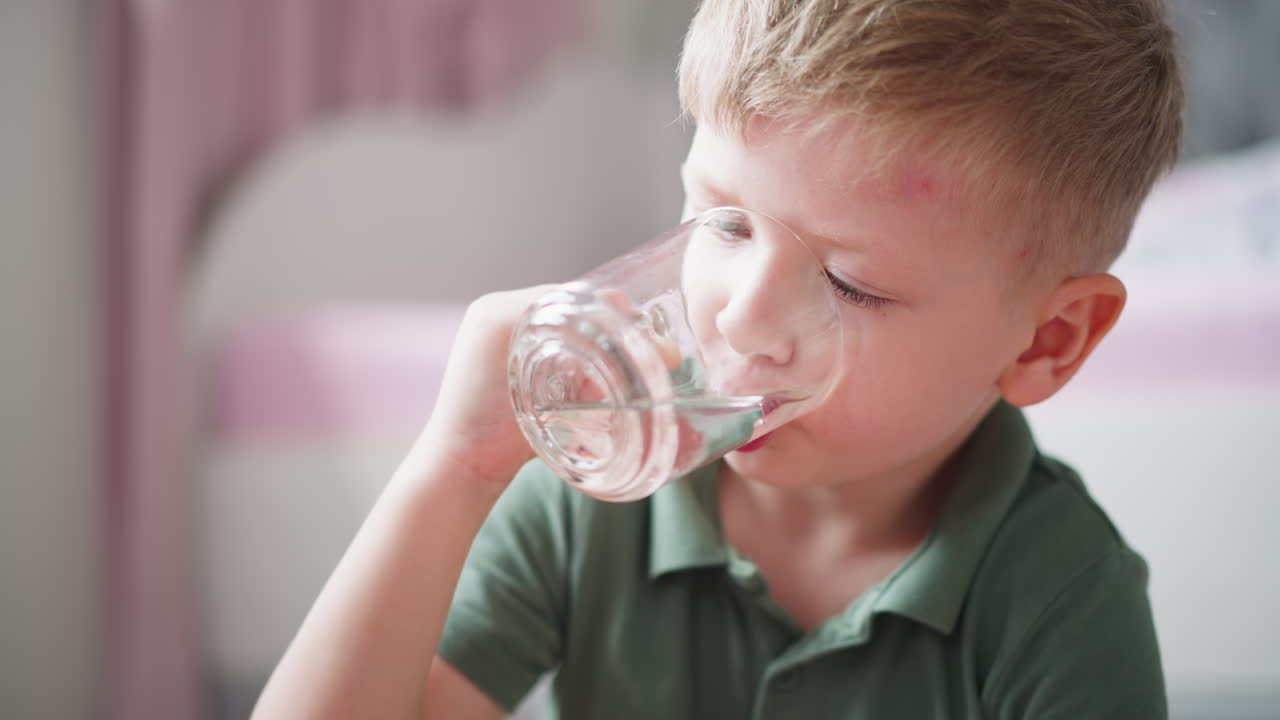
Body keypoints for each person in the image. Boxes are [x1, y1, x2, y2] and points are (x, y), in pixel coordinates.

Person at [252, 0, 1183, 717]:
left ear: (1047, 341)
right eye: (723, 220)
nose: (741, 320)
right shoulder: (589, 505)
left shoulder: (1060, 595)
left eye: (850, 285)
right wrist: (450, 470)